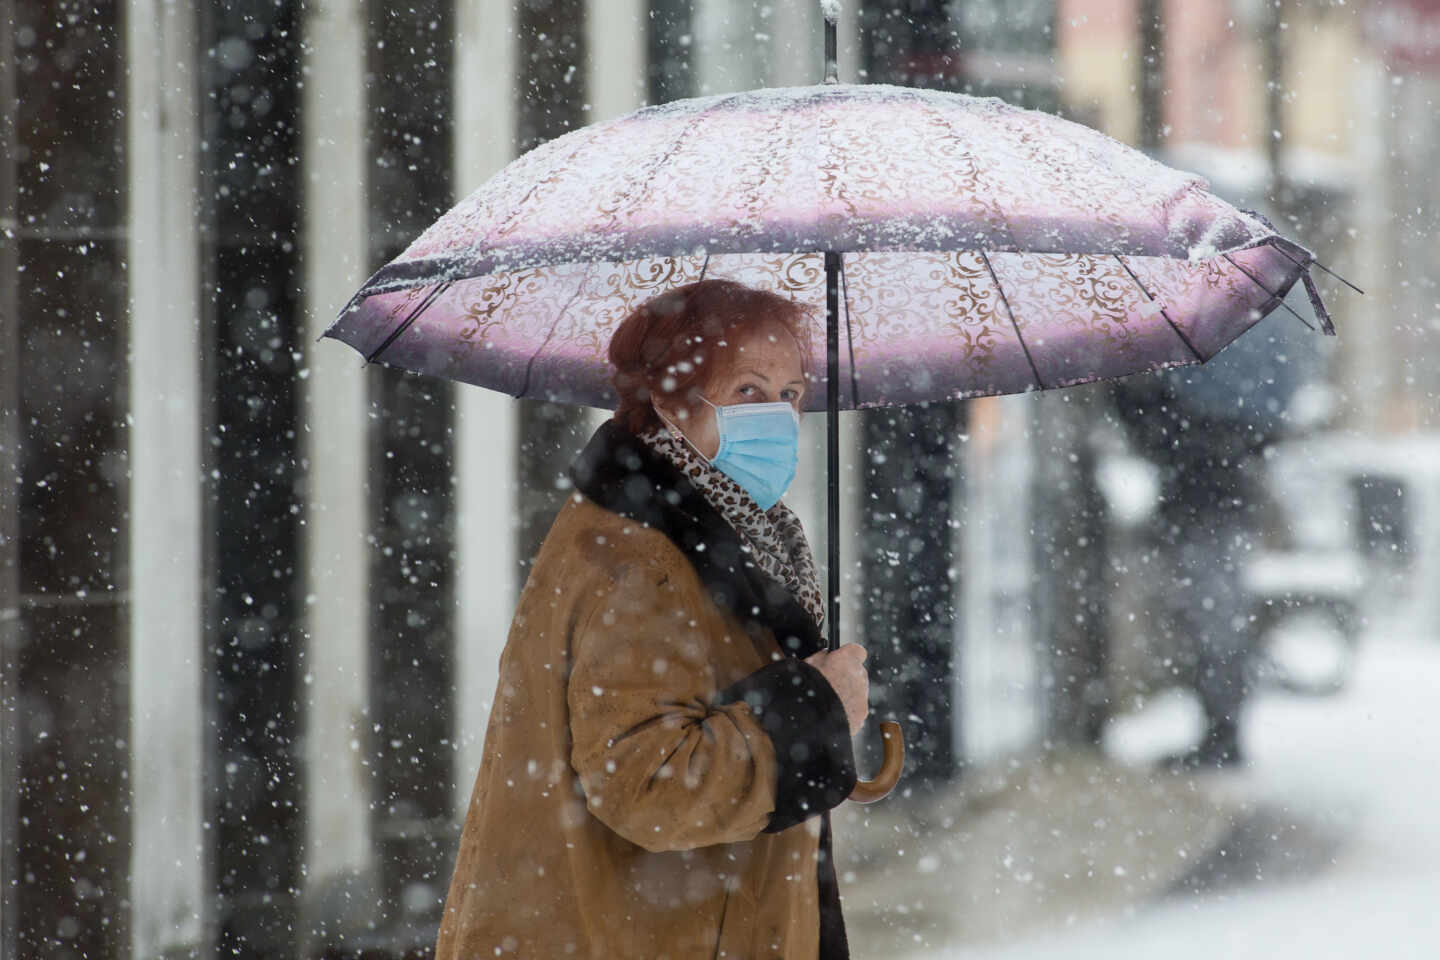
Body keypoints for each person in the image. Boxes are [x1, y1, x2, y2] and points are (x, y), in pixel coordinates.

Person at [435, 279, 871, 959]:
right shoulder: (645, 560)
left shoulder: (725, 536)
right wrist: (814, 712)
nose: (778, 419)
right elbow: (649, 783)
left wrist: (820, 723)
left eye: (790, 395)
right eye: (749, 391)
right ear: (668, 401)